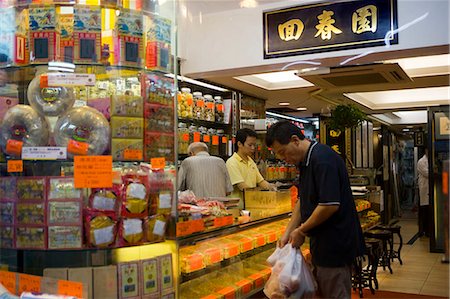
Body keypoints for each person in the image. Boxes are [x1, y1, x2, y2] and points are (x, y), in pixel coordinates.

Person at [266, 121, 364, 299]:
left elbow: (329, 205)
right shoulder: (305, 162)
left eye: (282, 152)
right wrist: (288, 231)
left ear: (295, 140)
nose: (283, 158)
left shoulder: (323, 159)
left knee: (335, 294)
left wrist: (302, 230)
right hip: (321, 244)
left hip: (336, 244)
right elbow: (302, 199)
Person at [226, 128, 275, 193]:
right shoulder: (232, 162)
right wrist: (259, 192)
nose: (253, 148)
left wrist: (272, 188)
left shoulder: (250, 161)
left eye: (254, 145)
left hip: (251, 201)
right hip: (240, 203)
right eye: (250, 145)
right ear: (239, 144)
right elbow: (242, 186)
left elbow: (261, 181)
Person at [417, 148, 430, 237]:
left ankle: (427, 230)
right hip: (424, 188)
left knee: (428, 211)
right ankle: (422, 231)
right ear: (425, 150)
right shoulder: (421, 161)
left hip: (428, 189)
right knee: (424, 211)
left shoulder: (430, 160)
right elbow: (427, 173)